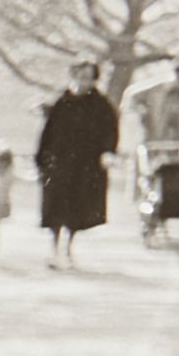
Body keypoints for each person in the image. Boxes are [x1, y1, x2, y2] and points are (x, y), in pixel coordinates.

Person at [35, 60, 118, 269]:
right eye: (80, 76)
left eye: (88, 77)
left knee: (76, 208)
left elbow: (111, 130)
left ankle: (68, 250)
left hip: (85, 165)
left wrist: (108, 152)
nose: (84, 81)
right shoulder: (62, 102)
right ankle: (54, 251)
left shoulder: (101, 104)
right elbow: (48, 132)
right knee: (55, 206)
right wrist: (41, 159)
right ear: (74, 76)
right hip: (59, 163)